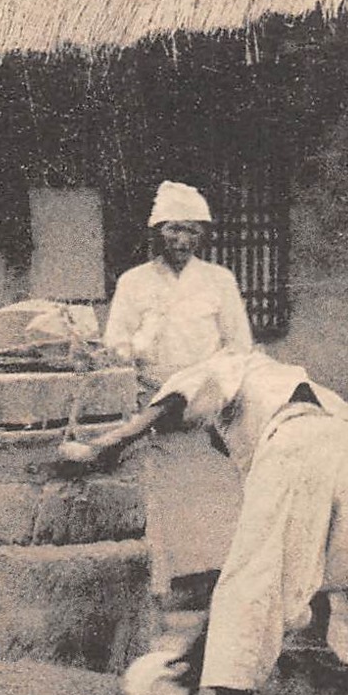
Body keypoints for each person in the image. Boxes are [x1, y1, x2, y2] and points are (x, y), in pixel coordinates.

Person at [62, 350, 348, 695]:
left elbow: (177, 397)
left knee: (246, 592)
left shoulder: (228, 363)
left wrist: (107, 445)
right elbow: (300, 575)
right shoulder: (302, 387)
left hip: (300, 451)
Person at [102, 181, 253, 615]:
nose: (182, 241)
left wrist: (214, 390)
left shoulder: (218, 280)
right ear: (156, 233)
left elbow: (238, 344)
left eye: (191, 231)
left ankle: (215, 584)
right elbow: (114, 345)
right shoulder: (134, 283)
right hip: (154, 406)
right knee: (163, 503)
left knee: (214, 501)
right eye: (172, 230)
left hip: (206, 407)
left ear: (202, 236)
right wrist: (138, 348)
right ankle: (167, 589)